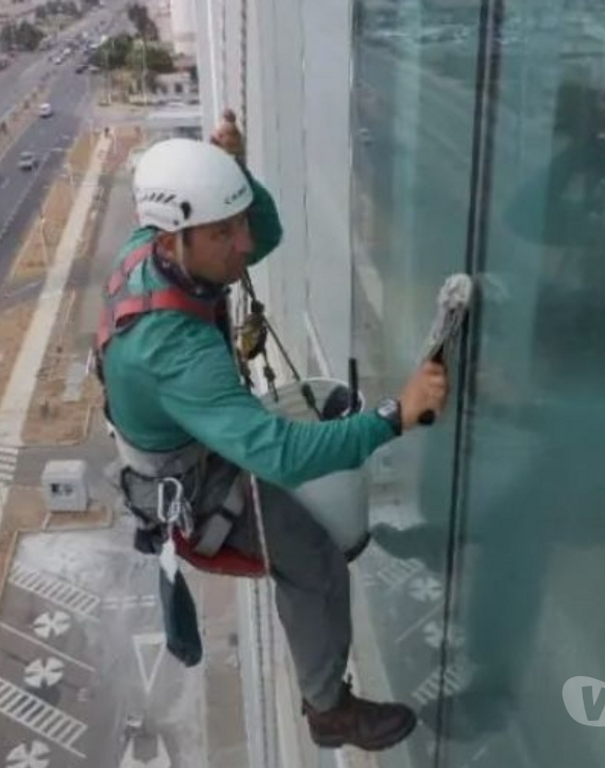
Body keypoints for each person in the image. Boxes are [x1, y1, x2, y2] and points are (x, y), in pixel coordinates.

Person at [95, 110, 448, 752]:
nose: (244, 243)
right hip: (193, 483)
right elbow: (281, 456)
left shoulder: (154, 249)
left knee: (318, 429)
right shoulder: (172, 348)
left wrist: (233, 175)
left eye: (236, 224)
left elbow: (269, 234)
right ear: (175, 239)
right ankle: (329, 709)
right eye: (224, 231)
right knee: (312, 554)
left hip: (193, 437)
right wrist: (397, 415)